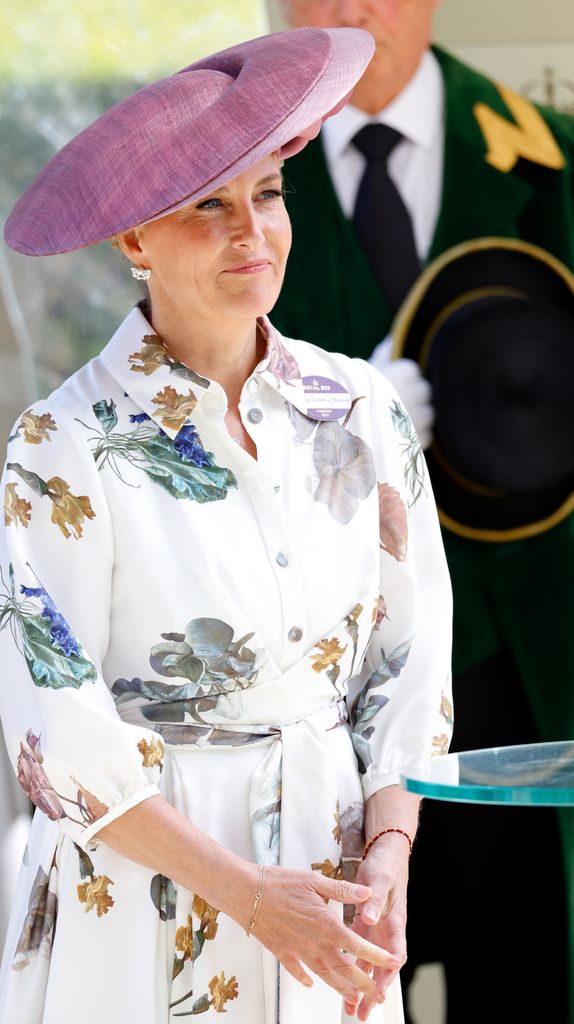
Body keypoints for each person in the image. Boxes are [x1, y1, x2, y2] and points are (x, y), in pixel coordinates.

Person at [0, 27, 453, 1024]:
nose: (252, 233)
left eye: (267, 196)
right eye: (209, 206)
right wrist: (246, 895)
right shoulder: (61, 444)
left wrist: (388, 855)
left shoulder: (364, 411)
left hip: (330, 893)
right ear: (133, 239)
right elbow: (56, 735)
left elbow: (411, 663)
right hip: (140, 910)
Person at [273, 3, 573, 1021]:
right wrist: (330, 422)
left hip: (532, 682)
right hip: (327, 692)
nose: (351, 10)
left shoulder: (554, 161)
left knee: (527, 976)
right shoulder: (242, 186)